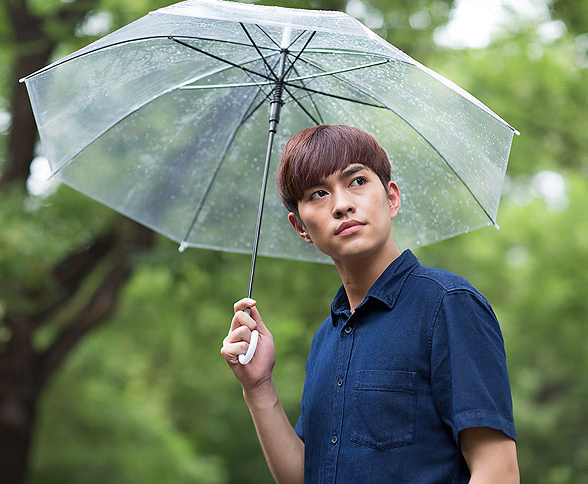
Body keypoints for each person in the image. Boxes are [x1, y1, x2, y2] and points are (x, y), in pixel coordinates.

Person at [220, 125, 519, 484]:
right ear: (300, 227)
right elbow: (305, 476)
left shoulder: (448, 305)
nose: (342, 204)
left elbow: (498, 471)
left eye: (357, 181)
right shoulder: (325, 338)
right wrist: (258, 386)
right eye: (318, 193)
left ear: (391, 198)